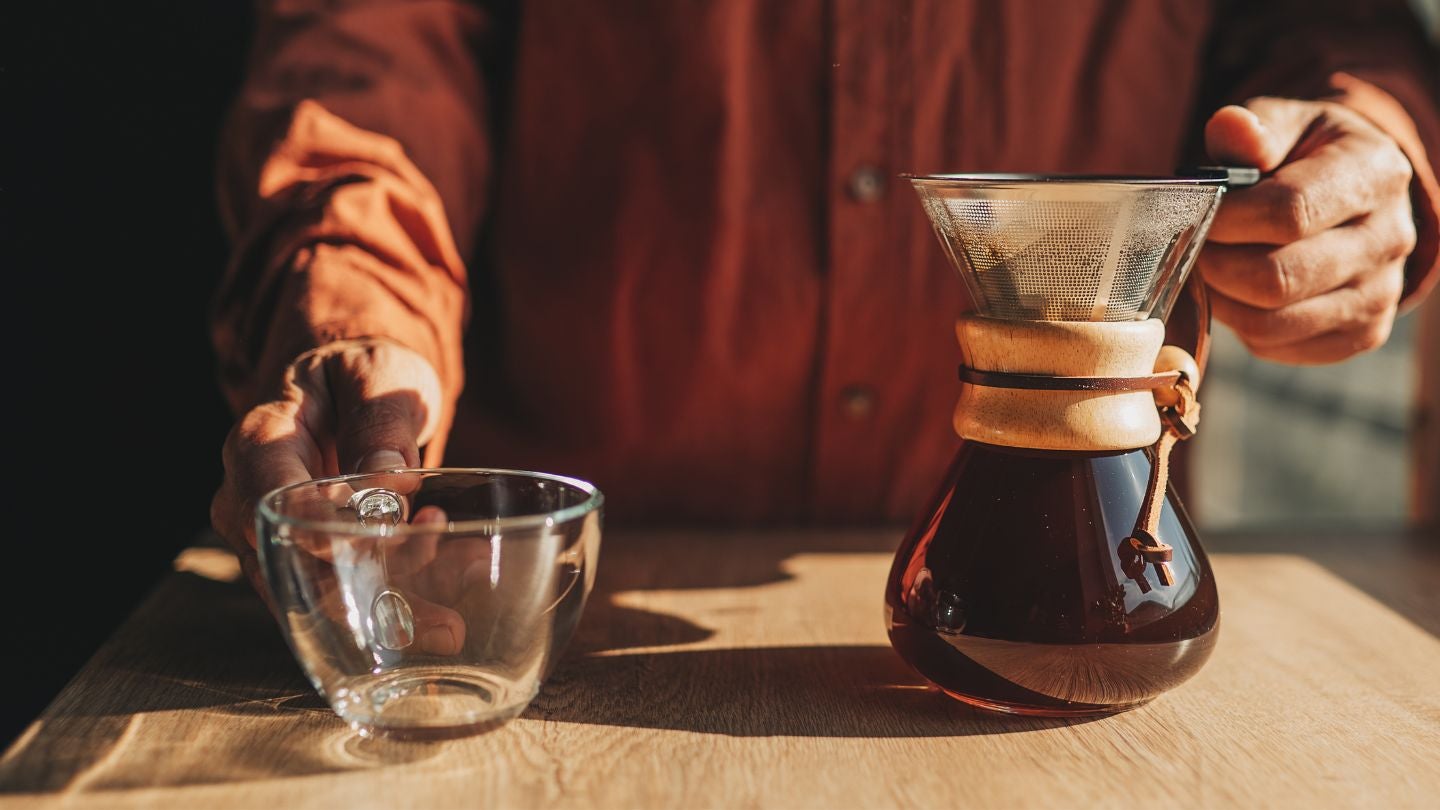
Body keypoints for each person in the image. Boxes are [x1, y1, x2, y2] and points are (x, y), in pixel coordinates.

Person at [211, 1, 1439, 596]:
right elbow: (384, 50)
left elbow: (1325, 20)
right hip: (535, 586)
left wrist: (1371, 142)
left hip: (1075, 562)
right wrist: (361, 316)